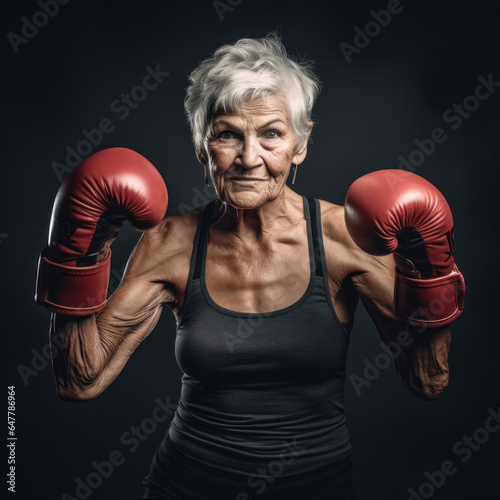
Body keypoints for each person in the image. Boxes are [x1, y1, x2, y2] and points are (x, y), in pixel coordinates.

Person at [35, 35, 465, 499]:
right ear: (203, 147)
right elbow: (79, 379)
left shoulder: (346, 239)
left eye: (272, 134)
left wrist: (428, 266)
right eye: (227, 134)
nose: (248, 158)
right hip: (185, 486)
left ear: (300, 145)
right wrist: (81, 250)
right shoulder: (171, 243)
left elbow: (428, 380)